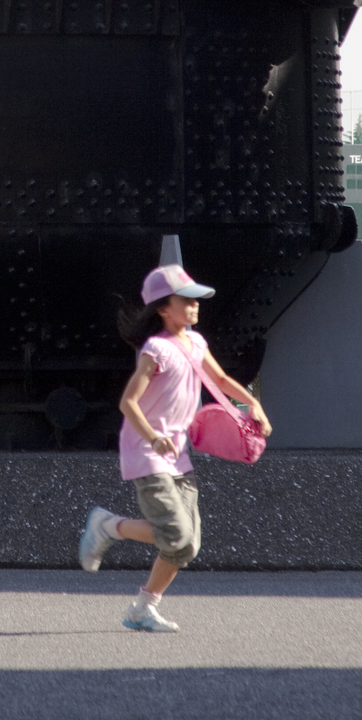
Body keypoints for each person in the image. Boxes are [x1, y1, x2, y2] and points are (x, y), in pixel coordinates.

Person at [73, 261, 271, 633]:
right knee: (175, 536)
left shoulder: (195, 342)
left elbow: (222, 378)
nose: (195, 306)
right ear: (163, 308)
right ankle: (108, 526)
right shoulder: (156, 350)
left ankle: (141, 609)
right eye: (186, 300)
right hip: (148, 454)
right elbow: (128, 402)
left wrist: (253, 403)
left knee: (186, 547)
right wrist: (152, 436)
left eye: (197, 300)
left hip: (178, 456)